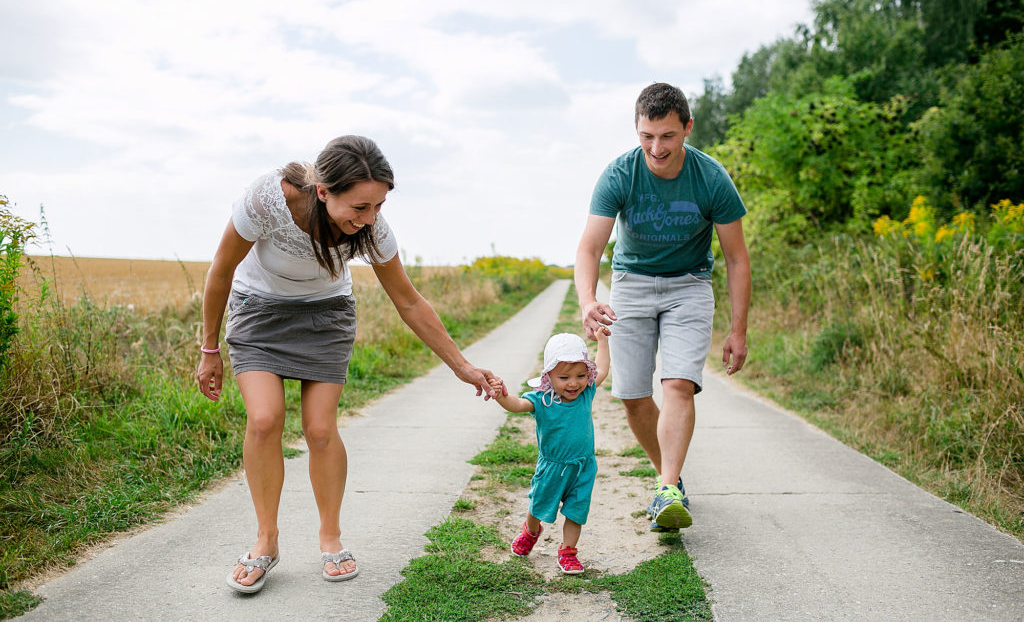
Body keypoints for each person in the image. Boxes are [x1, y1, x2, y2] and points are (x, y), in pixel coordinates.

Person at [196, 135, 505, 594]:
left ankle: (330, 537)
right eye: (361, 207)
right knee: (264, 420)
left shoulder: (373, 231)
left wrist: (460, 365)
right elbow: (221, 270)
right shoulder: (267, 199)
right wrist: (209, 350)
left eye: (378, 206)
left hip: (326, 318)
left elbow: (409, 301)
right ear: (323, 191)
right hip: (259, 311)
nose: (370, 219)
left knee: (320, 430)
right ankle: (266, 541)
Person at [574, 82, 751, 532]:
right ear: (637, 130)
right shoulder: (619, 174)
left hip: (689, 286)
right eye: (647, 136)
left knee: (677, 385)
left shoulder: (711, 178)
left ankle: (668, 488)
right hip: (631, 284)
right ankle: (668, 480)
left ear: (687, 128)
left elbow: (736, 258)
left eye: (668, 136)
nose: (657, 147)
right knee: (633, 396)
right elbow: (590, 248)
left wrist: (738, 330)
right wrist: (589, 300)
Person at [487, 331, 609, 575]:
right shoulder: (541, 400)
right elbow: (517, 405)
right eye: (564, 377)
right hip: (552, 467)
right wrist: (501, 395)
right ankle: (531, 531)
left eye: (581, 376)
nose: (573, 383)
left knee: (576, 511)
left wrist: (604, 341)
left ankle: (568, 552)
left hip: (583, 467)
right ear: (548, 377)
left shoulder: (587, 393)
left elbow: (603, 370)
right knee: (538, 505)